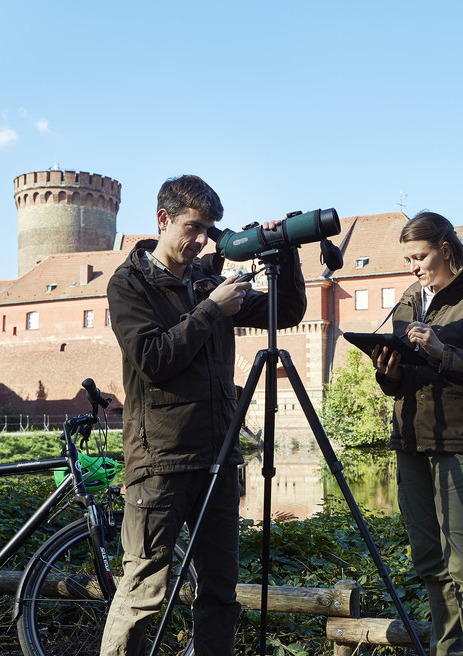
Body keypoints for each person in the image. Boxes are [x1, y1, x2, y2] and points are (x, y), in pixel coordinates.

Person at [100, 174, 307, 656]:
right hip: (160, 461)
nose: (200, 240)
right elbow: (153, 359)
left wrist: (286, 250)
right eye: (193, 228)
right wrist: (212, 309)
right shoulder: (130, 283)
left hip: (218, 455)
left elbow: (289, 310)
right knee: (141, 593)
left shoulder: (207, 279)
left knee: (219, 590)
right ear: (162, 220)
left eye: (209, 230)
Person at [371, 211, 463, 656]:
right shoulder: (408, 300)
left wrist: (443, 351)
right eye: (407, 259)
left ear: (446, 249)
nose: (413, 267)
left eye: (420, 257)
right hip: (411, 444)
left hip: (461, 445)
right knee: (431, 567)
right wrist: (388, 371)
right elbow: (394, 385)